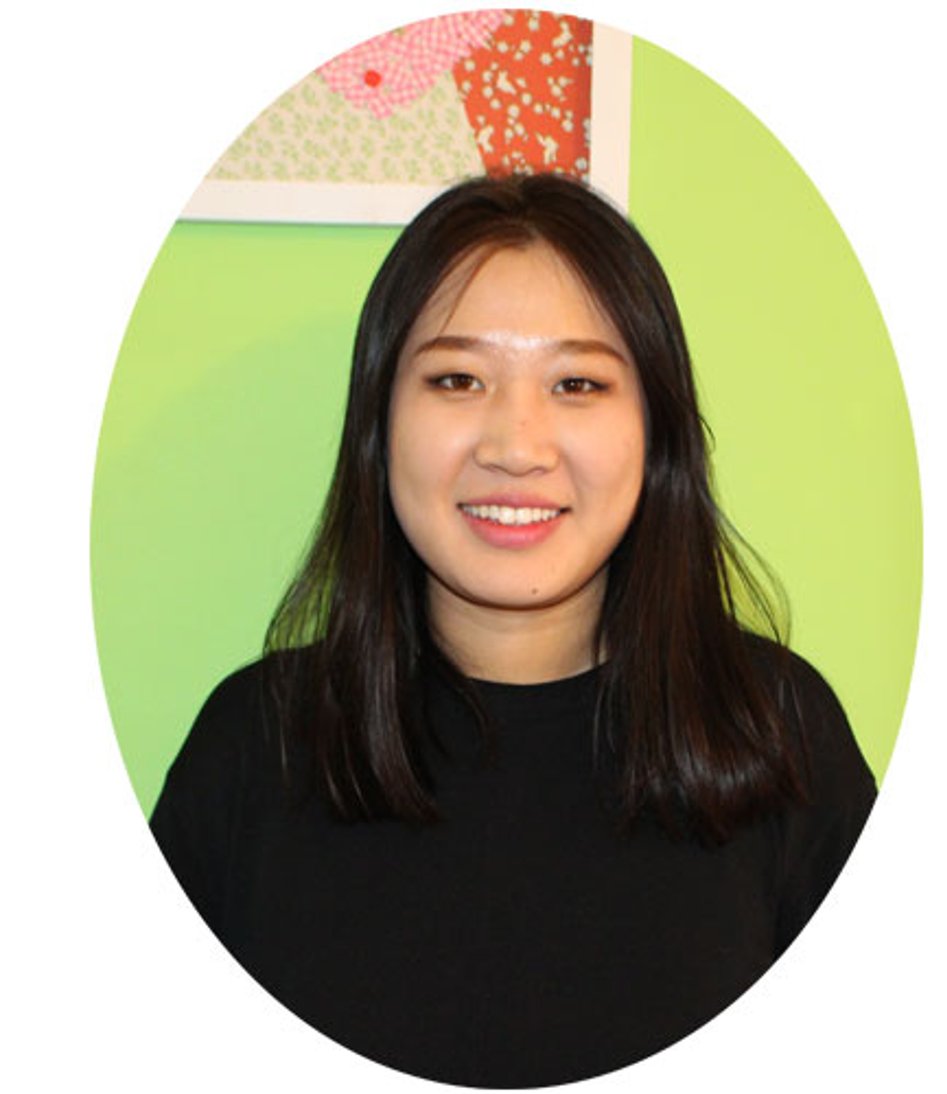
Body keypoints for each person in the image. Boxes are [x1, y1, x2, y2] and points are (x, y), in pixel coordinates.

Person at [150, 173, 876, 1087]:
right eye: (457, 379)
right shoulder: (255, 745)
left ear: (656, 432)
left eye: (578, 383)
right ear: (379, 423)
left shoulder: (777, 733)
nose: (516, 447)